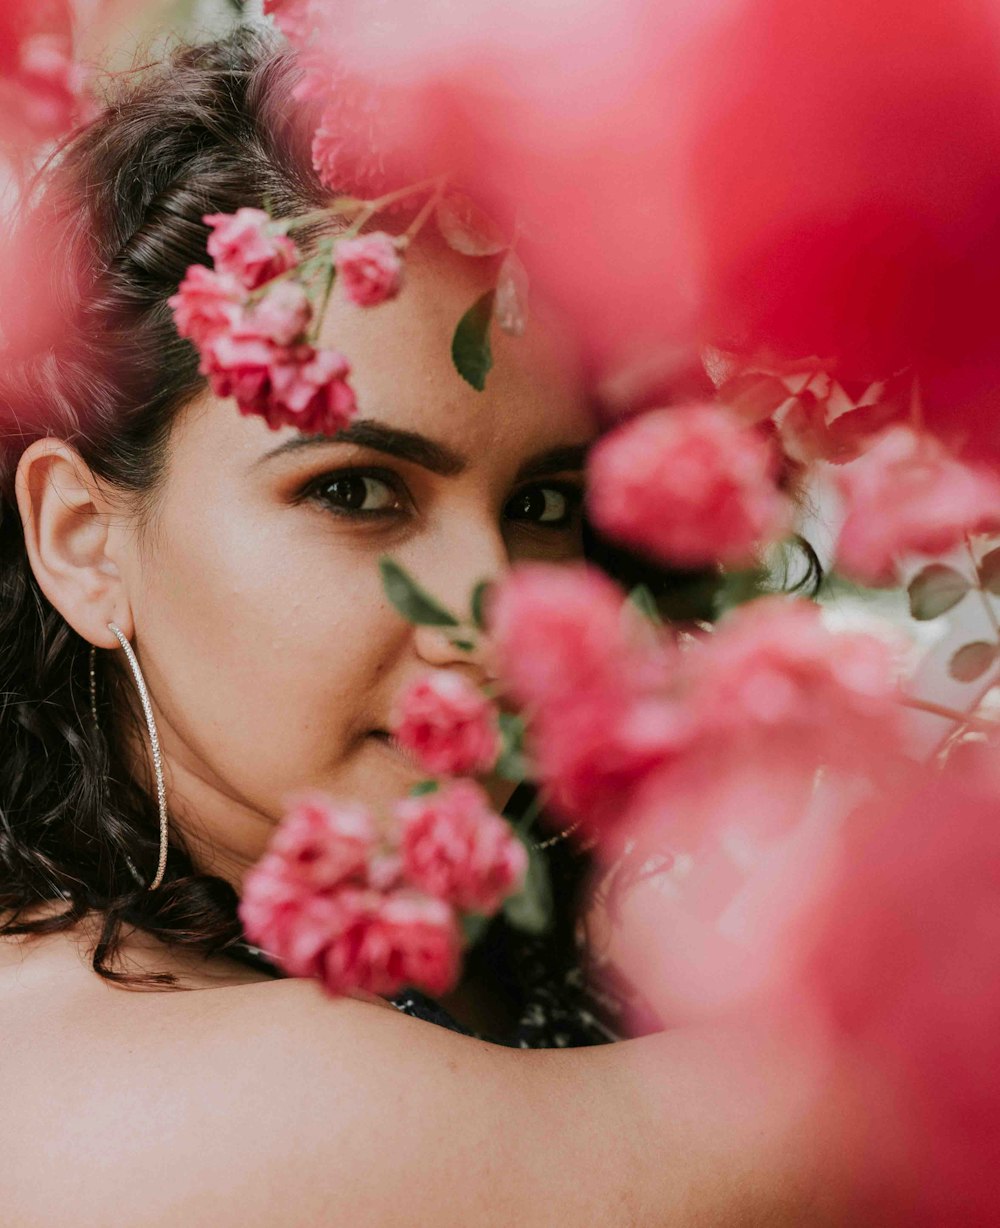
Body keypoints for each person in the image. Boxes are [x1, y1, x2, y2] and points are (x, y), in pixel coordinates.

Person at [0, 27, 857, 1225]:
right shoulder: (123, 1087)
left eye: (544, 504)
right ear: (83, 540)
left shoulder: (529, 941)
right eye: (353, 490)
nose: (500, 611)